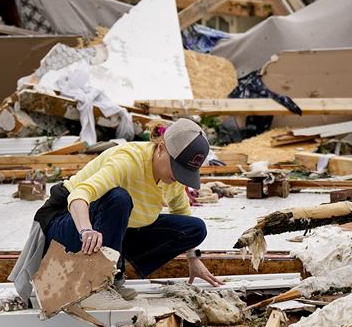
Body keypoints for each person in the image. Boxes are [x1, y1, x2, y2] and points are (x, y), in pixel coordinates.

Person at [32, 118, 222, 298]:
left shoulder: (171, 179)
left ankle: (116, 267)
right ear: (161, 148)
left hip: (110, 230)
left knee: (195, 228)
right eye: (177, 167)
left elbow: (181, 211)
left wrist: (193, 259)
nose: (179, 177)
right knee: (119, 198)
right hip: (65, 224)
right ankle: (101, 283)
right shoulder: (128, 161)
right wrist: (86, 230)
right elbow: (79, 195)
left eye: (185, 173)